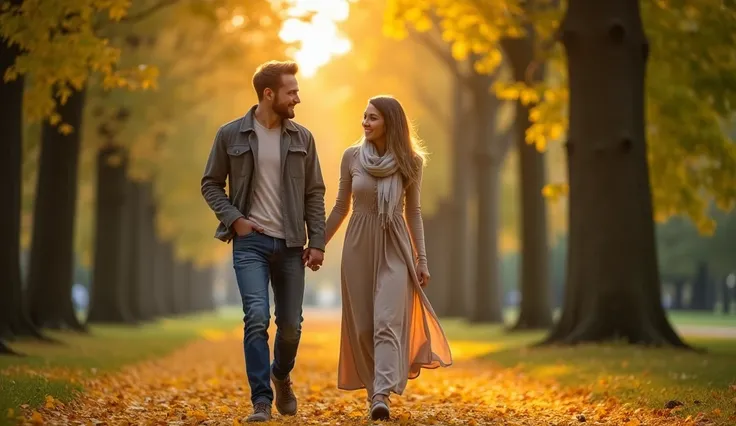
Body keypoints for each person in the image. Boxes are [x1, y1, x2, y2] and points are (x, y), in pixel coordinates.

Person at [201, 60, 326, 423]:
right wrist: (234, 219)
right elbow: (210, 183)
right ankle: (261, 401)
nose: (297, 98)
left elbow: (314, 193)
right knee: (256, 317)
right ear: (268, 94)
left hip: (290, 245)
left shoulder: (302, 138)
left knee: (290, 326)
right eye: (292, 92)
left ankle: (281, 374)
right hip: (250, 243)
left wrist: (316, 241)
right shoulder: (230, 135)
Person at [324, 95, 453, 421]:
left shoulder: (412, 161)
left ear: (390, 123)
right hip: (358, 246)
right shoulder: (351, 157)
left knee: (386, 321)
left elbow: (414, 212)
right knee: (365, 327)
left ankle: (381, 394)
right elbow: (341, 207)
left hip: (395, 247)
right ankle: (374, 392)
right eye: (364, 117)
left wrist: (421, 259)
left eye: (373, 118)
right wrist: (317, 244)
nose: (365, 123)